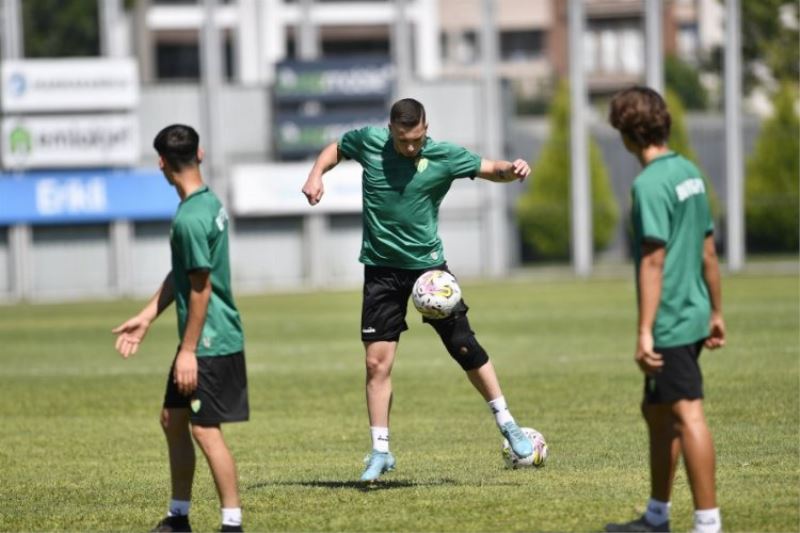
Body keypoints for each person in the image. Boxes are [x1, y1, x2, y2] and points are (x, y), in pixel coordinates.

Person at [301, 98, 534, 482]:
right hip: (381, 271)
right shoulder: (369, 142)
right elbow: (336, 149)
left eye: (417, 139)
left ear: (426, 128)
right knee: (376, 364)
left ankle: (507, 423)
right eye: (403, 140)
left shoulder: (444, 155)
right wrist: (316, 175)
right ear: (391, 130)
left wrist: (513, 169)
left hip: (429, 271)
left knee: (464, 346)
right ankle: (380, 451)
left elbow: (491, 168)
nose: (410, 147)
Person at [112, 124, 248, 533]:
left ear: (161, 164)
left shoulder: (189, 218)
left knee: (205, 431)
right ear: (199, 154)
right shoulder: (207, 202)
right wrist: (147, 316)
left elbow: (201, 289)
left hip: (209, 341)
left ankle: (232, 524)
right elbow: (185, 273)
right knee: (173, 420)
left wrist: (188, 351)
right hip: (202, 338)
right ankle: (178, 517)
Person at [605, 87, 726, 533]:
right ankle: (656, 517)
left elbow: (653, 260)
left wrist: (645, 331)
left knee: (686, 413)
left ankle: (708, 524)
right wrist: (716, 311)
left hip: (671, 318)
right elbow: (708, 250)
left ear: (626, 135)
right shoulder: (689, 172)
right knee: (657, 412)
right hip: (694, 311)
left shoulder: (649, 184)